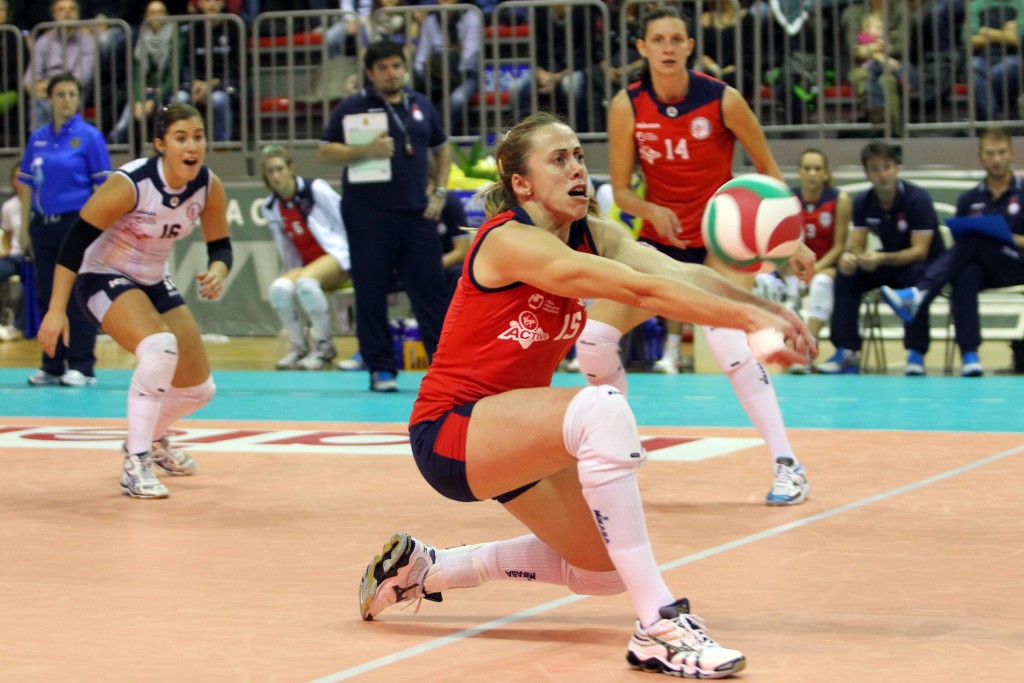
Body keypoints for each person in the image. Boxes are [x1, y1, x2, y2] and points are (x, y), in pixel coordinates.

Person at [357, 111, 813, 679]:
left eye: (577, 155)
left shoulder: (593, 232)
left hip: (516, 435)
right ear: (522, 184)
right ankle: (659, 626)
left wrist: (768, 309)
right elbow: (639, 290)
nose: (577, 168)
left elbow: (673, 273)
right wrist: (747, 319)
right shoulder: (509, 240)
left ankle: (427, 568)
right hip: (454, 431)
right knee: (602, 410)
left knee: (601, 571)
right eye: (558, 159)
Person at [572, 7, 815, 507]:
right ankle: (621, 447)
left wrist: (794, 242)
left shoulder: (723, 100)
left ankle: (788, 464)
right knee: (593, 340)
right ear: (642, 48)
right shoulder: (627, 105)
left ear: (689, 46)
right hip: (659, 245)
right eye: (658, 39)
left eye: (676, 39)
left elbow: (768, 171)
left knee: (726, 339)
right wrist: (649, 209)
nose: (667, 47)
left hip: (720, 245)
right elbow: (622, 189)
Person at [35, 103, 230, 499]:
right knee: (160, 347)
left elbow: (221, 247)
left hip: (153, 278)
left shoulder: (208, 186)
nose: (192, 146)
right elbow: (74, 244)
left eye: (198, 137)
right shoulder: (132, 183)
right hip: (100, 274)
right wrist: (56, 310)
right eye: (180, 138)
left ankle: (152, 440)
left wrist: (218, 271)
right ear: (160, 144)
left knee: (199, 388)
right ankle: (135, 463)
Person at [318, 39, 453, 392]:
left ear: (404, 68)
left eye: (396, 66)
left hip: (417, 213)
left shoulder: (421, 104)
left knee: (432, 292)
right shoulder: (353, 106)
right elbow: (325, 150)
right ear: (370, 73)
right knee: (371, 292)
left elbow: (443, 150)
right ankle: (381, 368)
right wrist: (366, 149)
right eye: (382, 68)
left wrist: (439, 192)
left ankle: (445, 370)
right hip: (368, 214)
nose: (390, 73)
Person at [881, 127, 1024, 376]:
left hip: (1017, 264)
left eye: (1001, 152)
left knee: (975, 240)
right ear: (980, 156)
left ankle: (919, 293)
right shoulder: (969, 198)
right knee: (964, 271)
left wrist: (1006, 236)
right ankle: (970, 354)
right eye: (990, 153)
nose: (996, 159)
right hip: (985, 269)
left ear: (1011, 153)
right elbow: (961, 243)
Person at [817, 141, 944, 375]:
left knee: (916, 276)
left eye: (887, 167)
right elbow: (857, 243)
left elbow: (919, 251)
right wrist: (852, 257)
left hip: (922, 264)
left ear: (896, 168)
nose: (882, 174)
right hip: (888, 263)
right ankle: (847, 351)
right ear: (867, 174)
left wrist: (880, 258)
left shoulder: (918, 199)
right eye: (875, 169)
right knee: (846, 274)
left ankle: (915, 353)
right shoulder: (863, 202)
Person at [17, 73, 110, 386]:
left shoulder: (90, 137)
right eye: (60, 94)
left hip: (77, 224)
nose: (66, 99)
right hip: (43, 224)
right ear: (50, 99)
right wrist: (26, 229)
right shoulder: (37, 138)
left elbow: (104, 187)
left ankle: (82, 365)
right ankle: (52, 364)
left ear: (78, 99)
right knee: (47, 296)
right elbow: (26, 184)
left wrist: (98, 229)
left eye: (72, 94)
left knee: (76, 296)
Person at [336, 193, 470, 372]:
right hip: (397, 267)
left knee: (457, 275)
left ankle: (447, 359)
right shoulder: (389, 205)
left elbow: (462, 251)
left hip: (439, 268)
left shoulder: (449, 203)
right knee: (367, 278)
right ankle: (370, 353)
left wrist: (428, 268)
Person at [259, 144, 352, 371]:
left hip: (338, 257)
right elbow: (286, 248)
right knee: (279, 290)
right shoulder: (270, 207)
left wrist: (355, 256)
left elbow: (346, 217)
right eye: (270, 171)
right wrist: (291, 271)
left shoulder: (314, 189)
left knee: (306, 283)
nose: (276, 175)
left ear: (291, 168)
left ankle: (324, 348)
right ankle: (299, 348)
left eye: (280, 169)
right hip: (307, 265)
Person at [786, 148, 851, 372]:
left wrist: (814, 269)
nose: (812, 173)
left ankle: (807, 349)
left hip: (827, 265)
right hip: (794, 266)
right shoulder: (788, 199)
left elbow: (839, 246)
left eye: (817, 169)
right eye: (807, 168)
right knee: (779, 285)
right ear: (799, 172)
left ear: (825, 173)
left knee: (821, 283)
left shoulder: (839, 199)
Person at [841, 0, 916, 136]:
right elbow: (854, 49)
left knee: (887, 81)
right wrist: (880, 53)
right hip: (862, 65)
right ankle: (883, 127)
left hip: (893, 64)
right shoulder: (854, 12)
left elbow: (901, 47)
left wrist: (869, 49)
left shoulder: (899, 10)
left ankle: (892, 132)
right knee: (865, 76)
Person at [108, 0, 178, 146]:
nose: (156, 16)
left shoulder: (176, 37)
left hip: (167, 91)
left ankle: (166, 144)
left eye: (160, 12)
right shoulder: (140, 38)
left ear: (167, 15)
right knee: (125, 121)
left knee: (167, 109)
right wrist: (138, 100)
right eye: (152, 12)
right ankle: (113, 143)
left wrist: (154, 101)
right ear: (145, 16)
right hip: (146, 91)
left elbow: (173, 77)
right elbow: (137, 75)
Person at [22, 0, 98, 127]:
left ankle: (51, 139)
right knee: (39, 102)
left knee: (50, 104)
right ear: (54, 15)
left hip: (76, 94)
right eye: (61, 9)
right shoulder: (43, 41)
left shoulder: (87, 42)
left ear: (78, 14)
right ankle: (43, 140)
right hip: (46, 94)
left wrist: (52, 88)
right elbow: (29, 79)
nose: (67, 13)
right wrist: (42, 89)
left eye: (72, 9)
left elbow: (81, 78)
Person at [412, 0, 482, 135]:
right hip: (436, 76)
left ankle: (443, 138)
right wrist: (423, 76)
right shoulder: (430, 21)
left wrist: (450, 77)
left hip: (464, 75)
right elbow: (422, 55)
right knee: (418, 98)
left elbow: (470, 55)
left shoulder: (472, 17)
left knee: (456, 100)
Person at [176, 0, 241, 142]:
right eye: (207, 0)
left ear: (223, 3)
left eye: (216, 0)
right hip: (197, 84)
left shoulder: (234, 28)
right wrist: (196, 83)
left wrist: (210, 85)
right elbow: (188, 64)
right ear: (199, 4)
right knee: (180, 99)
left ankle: (222, 145)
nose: (211, 4)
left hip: (224, 83)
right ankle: (183, 143)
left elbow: (236, 68)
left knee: (218, 100)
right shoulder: (193, 31)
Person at [964, 0, 1024, 121]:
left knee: (979, 80)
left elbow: (1017, 38)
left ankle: (988, 120)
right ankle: (995, 119)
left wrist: (984, 31)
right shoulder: (977, 5)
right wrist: (1004, 34)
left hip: (1012, 59)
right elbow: (968, 40)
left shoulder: (1021, 4)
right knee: (972, 66)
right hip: (983, 59)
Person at [1, 161, 24, 340]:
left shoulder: (41, 204)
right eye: (17, 178)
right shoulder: (9, 206)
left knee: (33, 281)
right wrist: (6, 250)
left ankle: (18, 326)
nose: (21, 182)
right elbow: (7, 234)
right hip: (14, 256)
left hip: (32, 256)